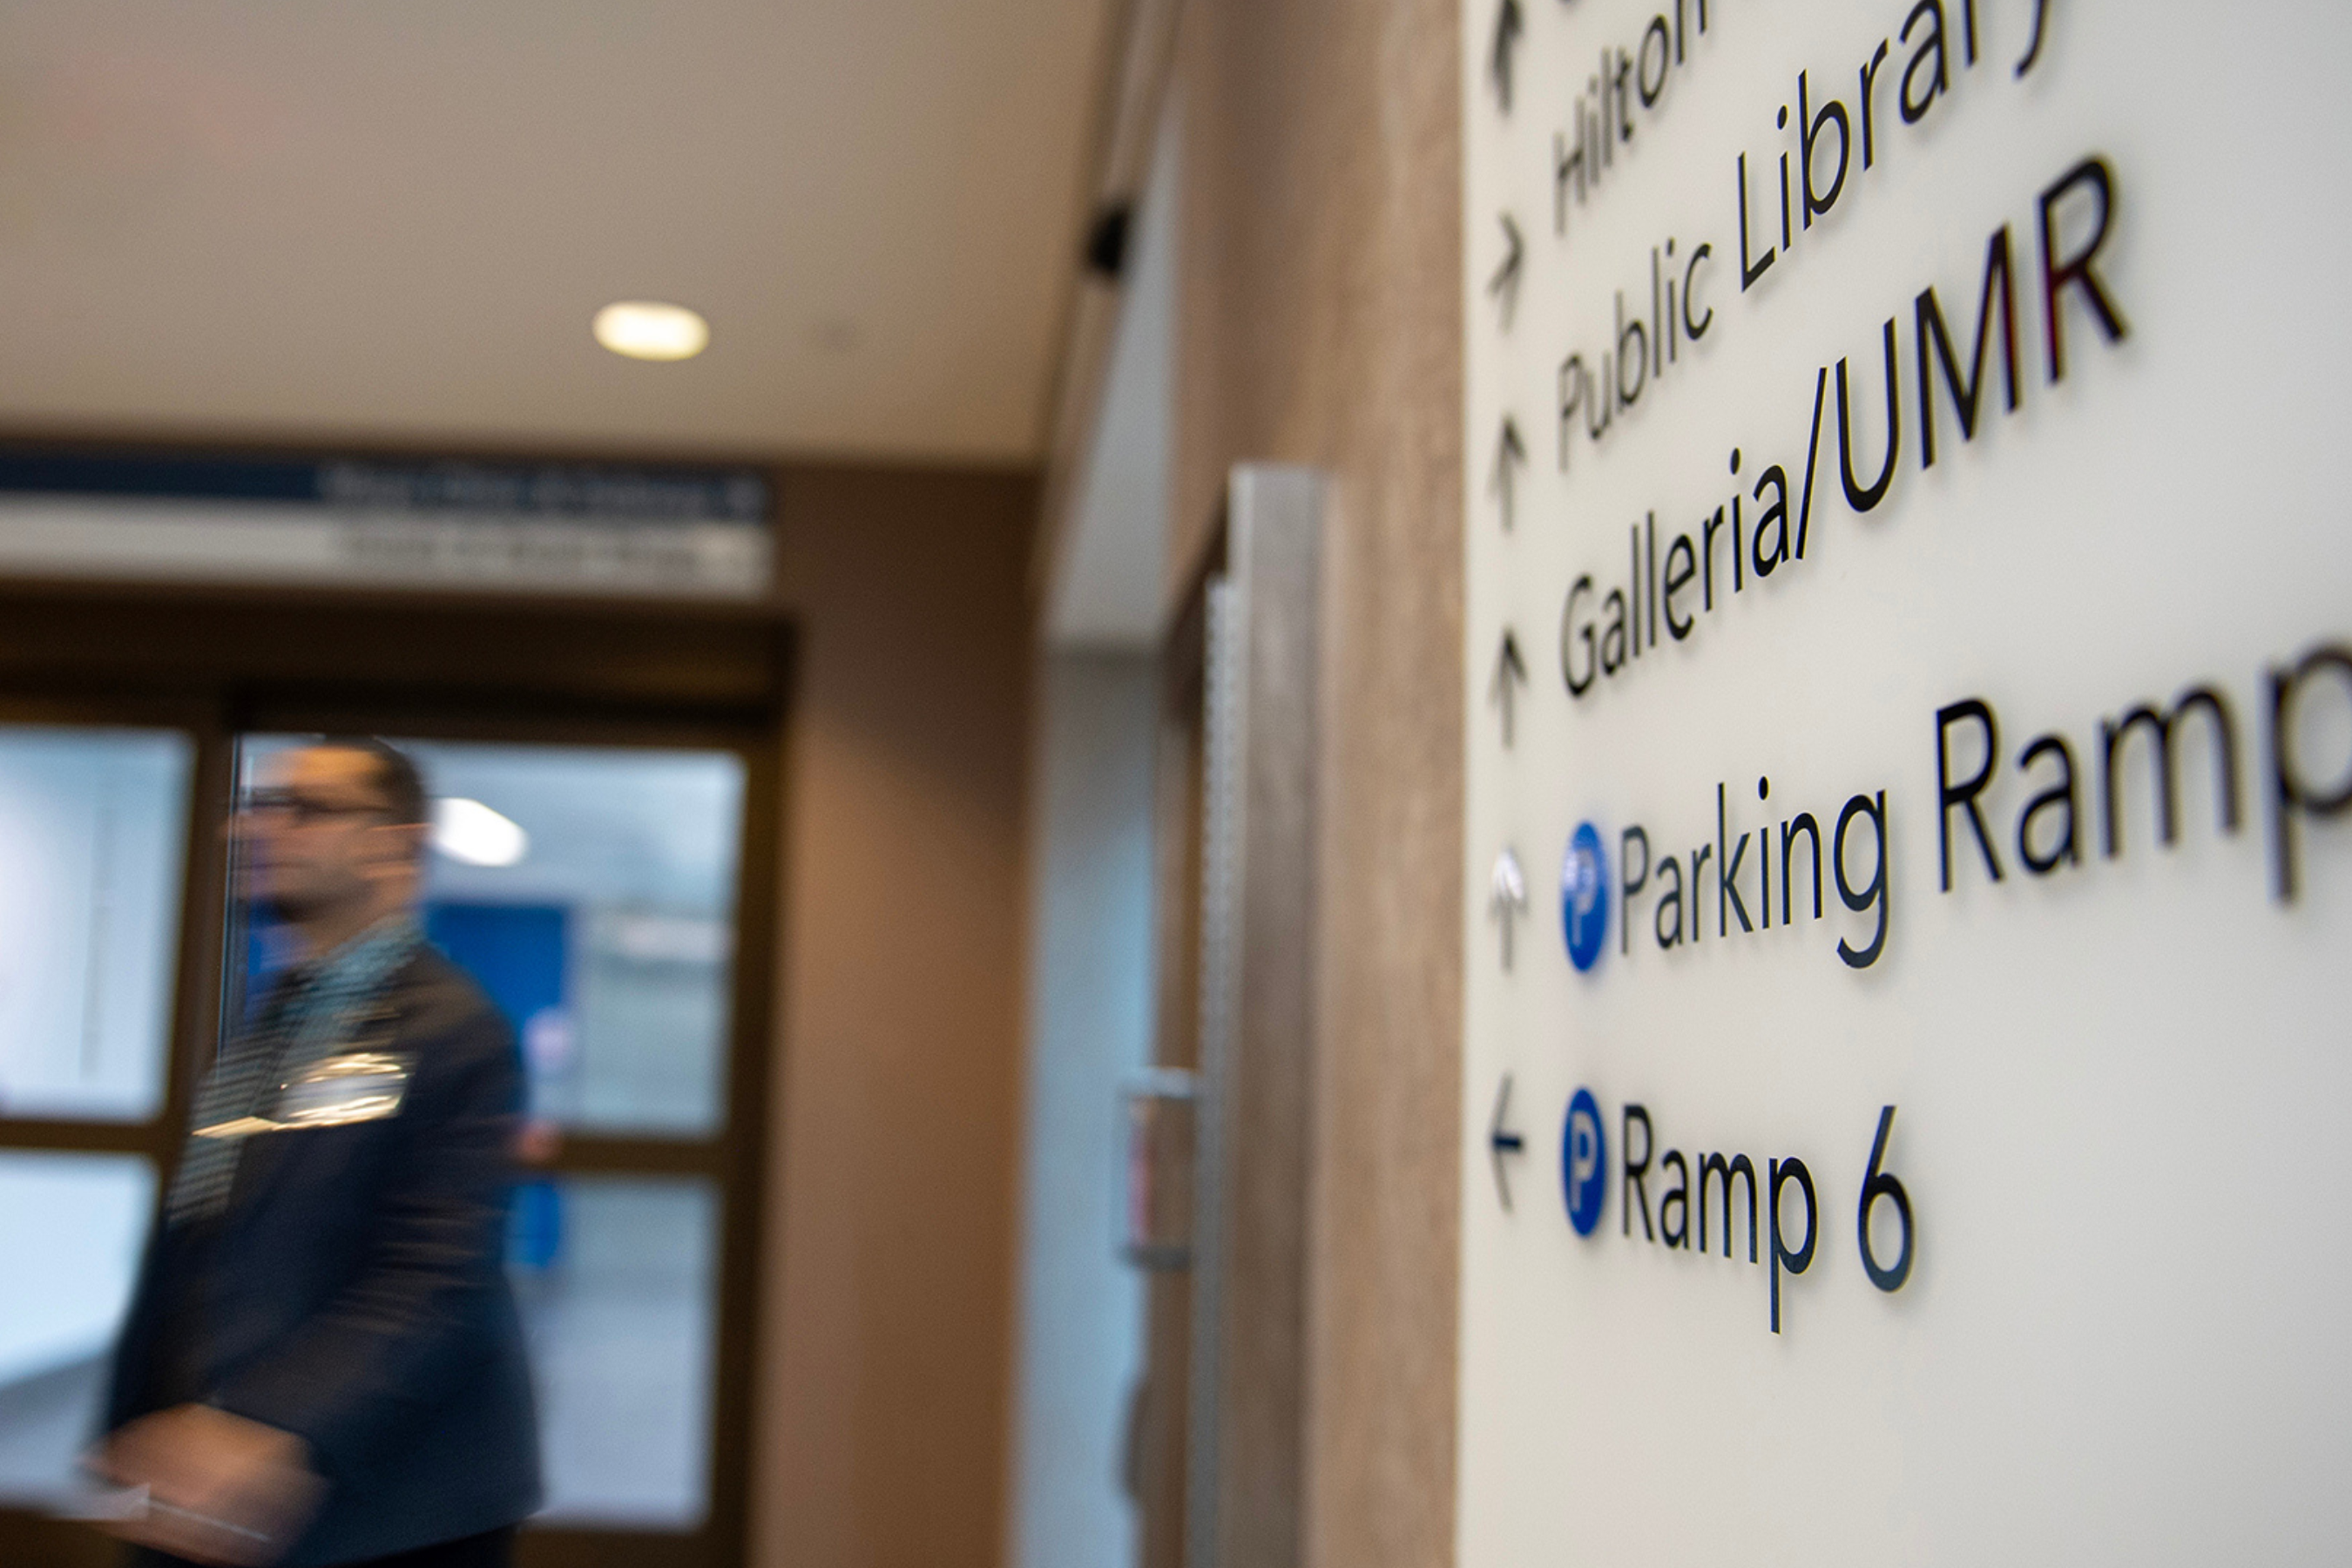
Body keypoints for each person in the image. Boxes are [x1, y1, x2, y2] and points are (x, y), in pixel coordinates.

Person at [94, 739, 540, 1568]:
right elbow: (212, 1232)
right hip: (216, 1483)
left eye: (307, 808)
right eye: (262, 806)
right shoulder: (276, 1019)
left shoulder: (454, 1031)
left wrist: (269, 1427)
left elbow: (434, 1274)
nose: (256, 829)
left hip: (388, 1507)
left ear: (393, 843)